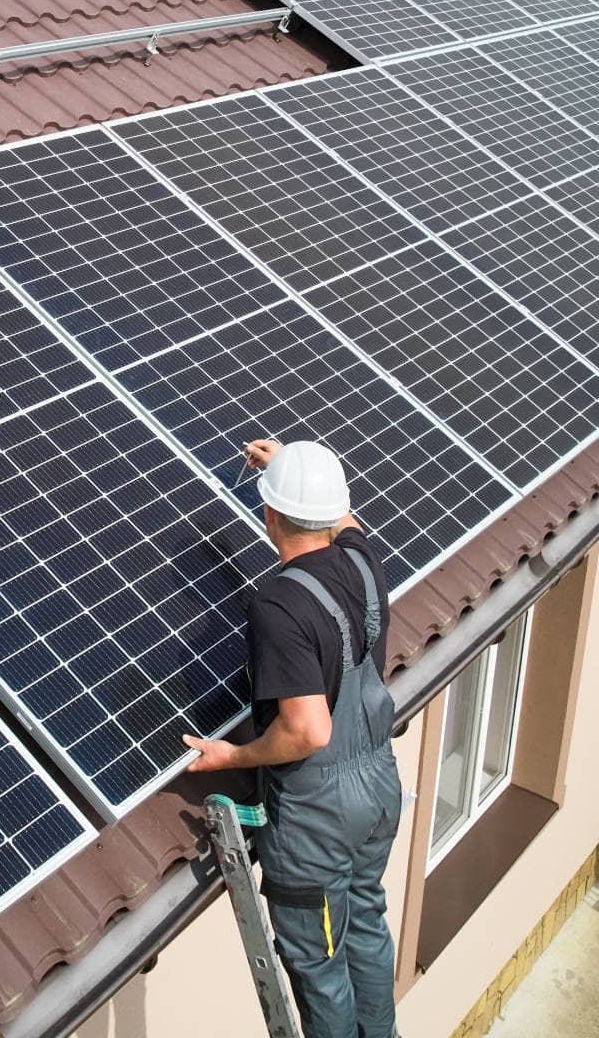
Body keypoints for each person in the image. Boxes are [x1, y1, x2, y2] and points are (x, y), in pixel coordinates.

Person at [183, 438, 402, 1038]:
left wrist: (236, 754)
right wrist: (292, 467)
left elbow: (306, 730)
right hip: (379, 789)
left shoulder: (278, 604)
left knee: (319, 966)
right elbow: (344, 521)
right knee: (365, 926)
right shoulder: (362, 558)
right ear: (332, 513)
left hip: (317, 818)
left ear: (268, 515)